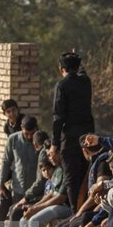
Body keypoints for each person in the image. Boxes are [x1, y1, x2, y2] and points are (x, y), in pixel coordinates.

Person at [48, 51, 95, 211]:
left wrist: (54, 144)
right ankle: (83, 211)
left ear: (61, 68)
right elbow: (82, 73)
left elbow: (58, 117)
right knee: (85, 177)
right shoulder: (85, 82)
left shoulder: (62, 85)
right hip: (88, 138)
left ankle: (76, 213)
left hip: (70, 139)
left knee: (71, 180)